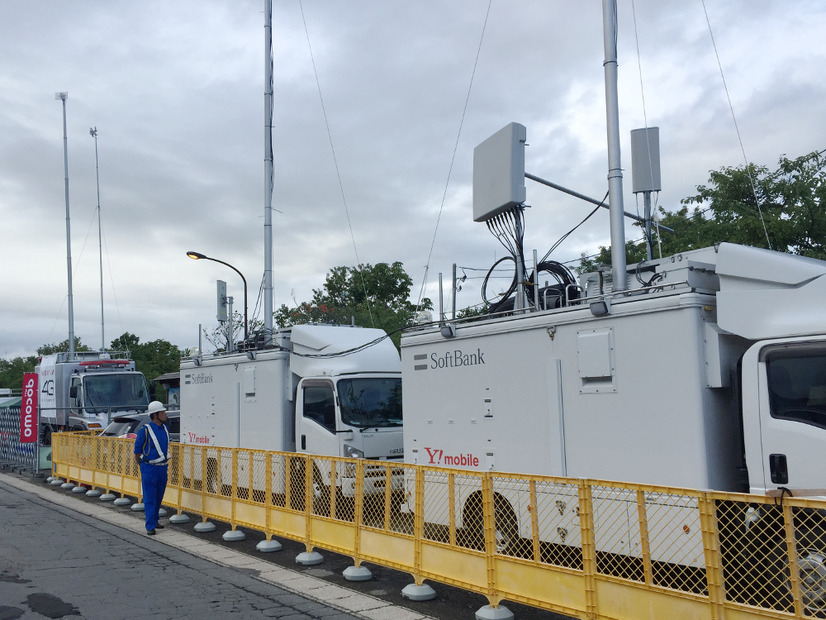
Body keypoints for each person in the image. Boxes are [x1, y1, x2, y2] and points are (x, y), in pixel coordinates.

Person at [134, 400, 171, 535]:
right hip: (149, 468)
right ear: (155, 415)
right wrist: (142, 466)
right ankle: (150, 526)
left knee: (158, 496)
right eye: (162, 412)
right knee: (150, 497)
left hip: (162, 468)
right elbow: (137, 452)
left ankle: (155, 520)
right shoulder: (144, 431)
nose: (165, 414)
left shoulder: (165, 429)